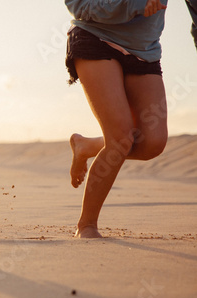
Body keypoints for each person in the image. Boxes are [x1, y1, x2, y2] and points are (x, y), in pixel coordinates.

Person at [64, 0, 169, 238]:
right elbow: (79, 6)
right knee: (120, 138)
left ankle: (86, 145)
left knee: (153, 143)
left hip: (145, 51)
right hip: (96, 38)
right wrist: (134, 5)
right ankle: (87, 225)